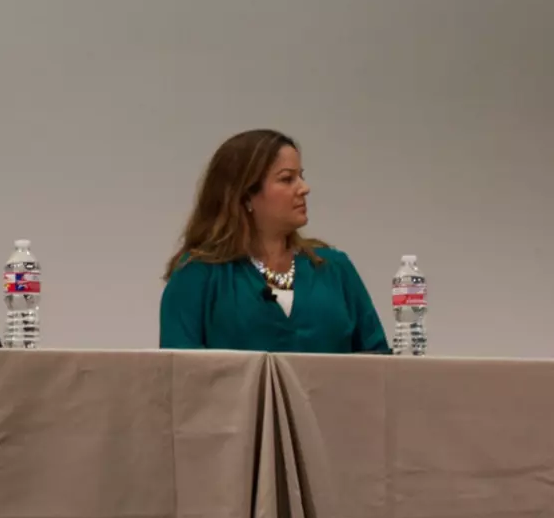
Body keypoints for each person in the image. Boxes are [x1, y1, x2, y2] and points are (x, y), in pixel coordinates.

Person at [159, 129, 389, 354]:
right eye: (287, 179)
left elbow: (378, 363)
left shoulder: (334, 268)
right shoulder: (197, 274)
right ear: (246, 196)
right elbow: (179, 371)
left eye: (301, 177)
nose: (304, 188)